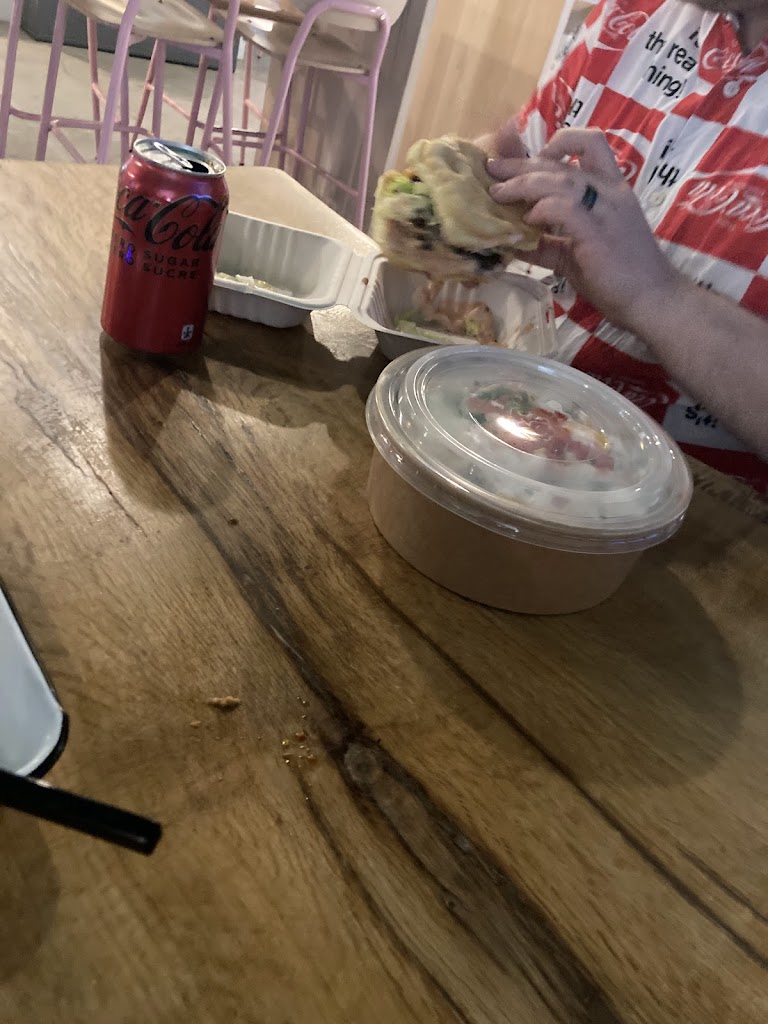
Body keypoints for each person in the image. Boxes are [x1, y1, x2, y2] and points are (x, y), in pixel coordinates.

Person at [480, 0, 768, 493]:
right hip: (500, 416)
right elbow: (509, 151)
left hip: (699, 510)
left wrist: (656, 296)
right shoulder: (633, 12)